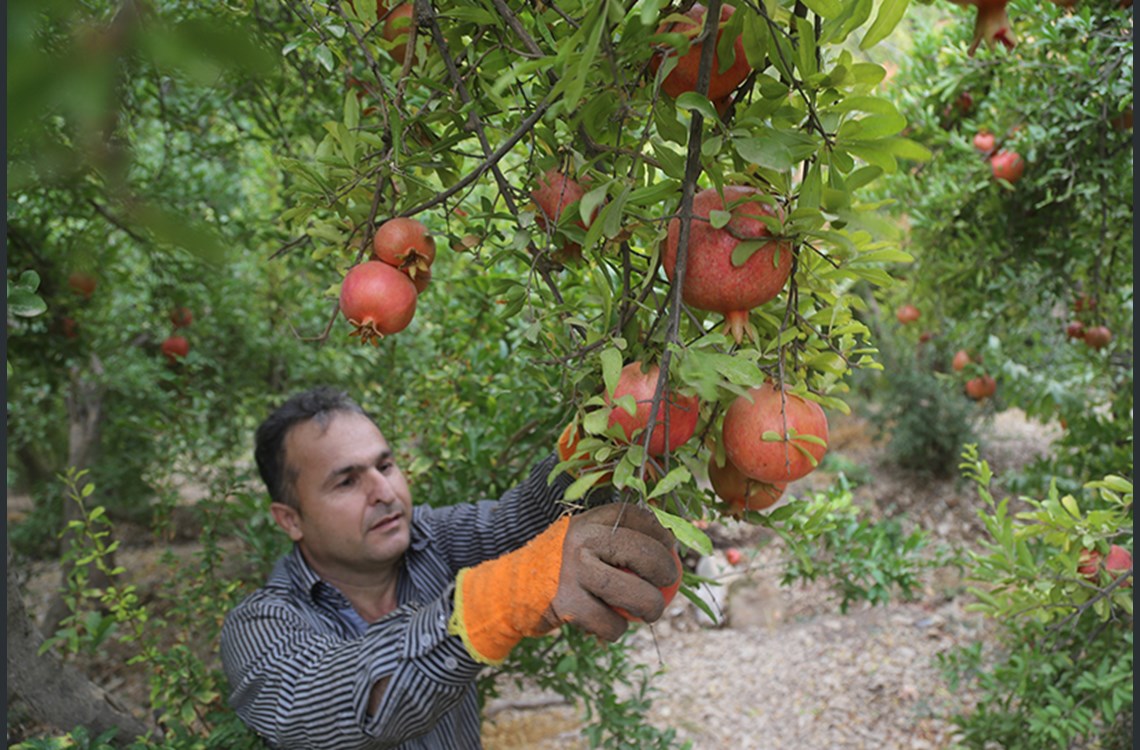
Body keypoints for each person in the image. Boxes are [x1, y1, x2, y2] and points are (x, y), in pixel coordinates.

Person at [220, 386, 681, 749]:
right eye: (346, 481)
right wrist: (497, 599)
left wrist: (598, 439)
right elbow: (346, 697)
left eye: (386, 465)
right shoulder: (259, 629)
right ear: (290, 519)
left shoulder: (430, 540)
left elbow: (518, 521)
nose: (383, 491)